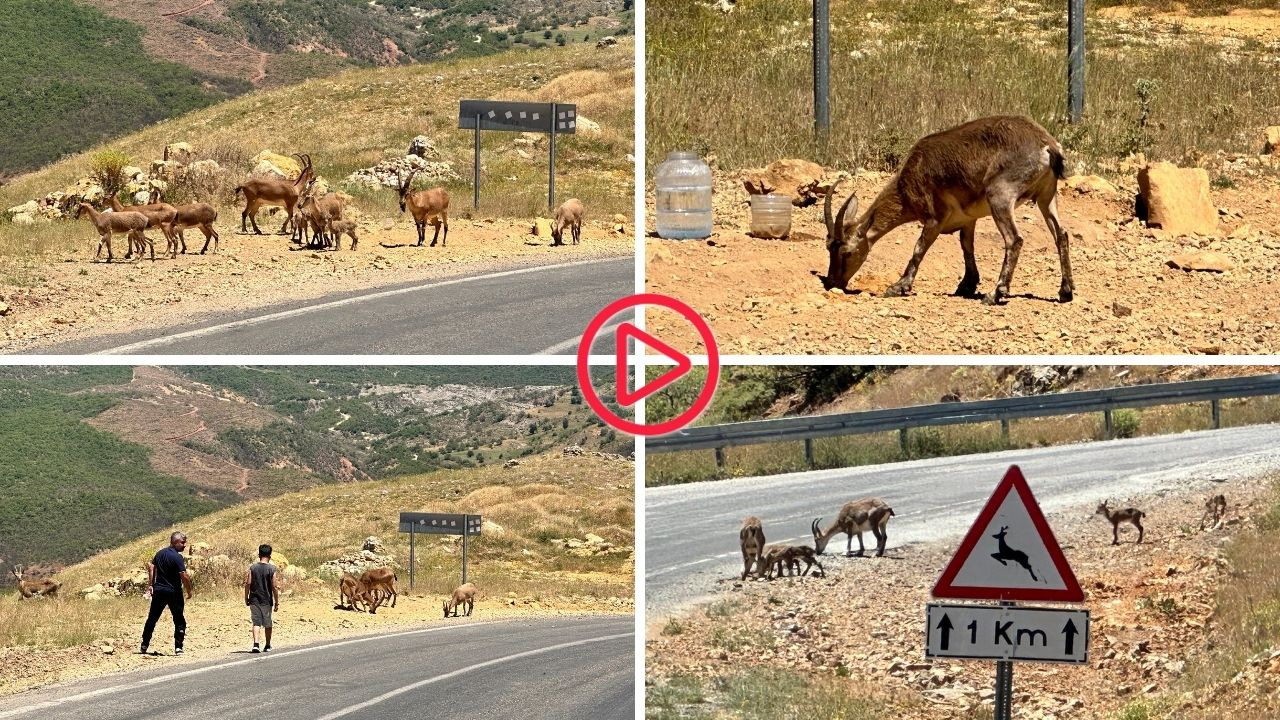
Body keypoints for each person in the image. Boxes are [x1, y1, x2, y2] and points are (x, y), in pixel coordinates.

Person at [141, 531, 193, 655]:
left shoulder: (159, 553)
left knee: (152, 618)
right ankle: (178, 647)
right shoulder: (177, 557)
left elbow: (152, 568)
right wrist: (189, 590)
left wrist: (151, 585)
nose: (184, 545)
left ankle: (144, 644)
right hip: (174, 592)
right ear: (175, 542)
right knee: (179, 619)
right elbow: (184, 575)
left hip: (159, 591)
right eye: (182, 542)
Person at [244, 543, 280, 653]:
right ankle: (268, 645)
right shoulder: (272, 569)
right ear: (270, 555)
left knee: (256, 622)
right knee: (268, 623)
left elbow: (248, 583)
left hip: (254, 600)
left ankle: (256, 644)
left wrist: (247, 597)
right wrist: (276, 601)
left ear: (259, 555)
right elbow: (274, 586)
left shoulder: (253, 568)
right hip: (266, 600)